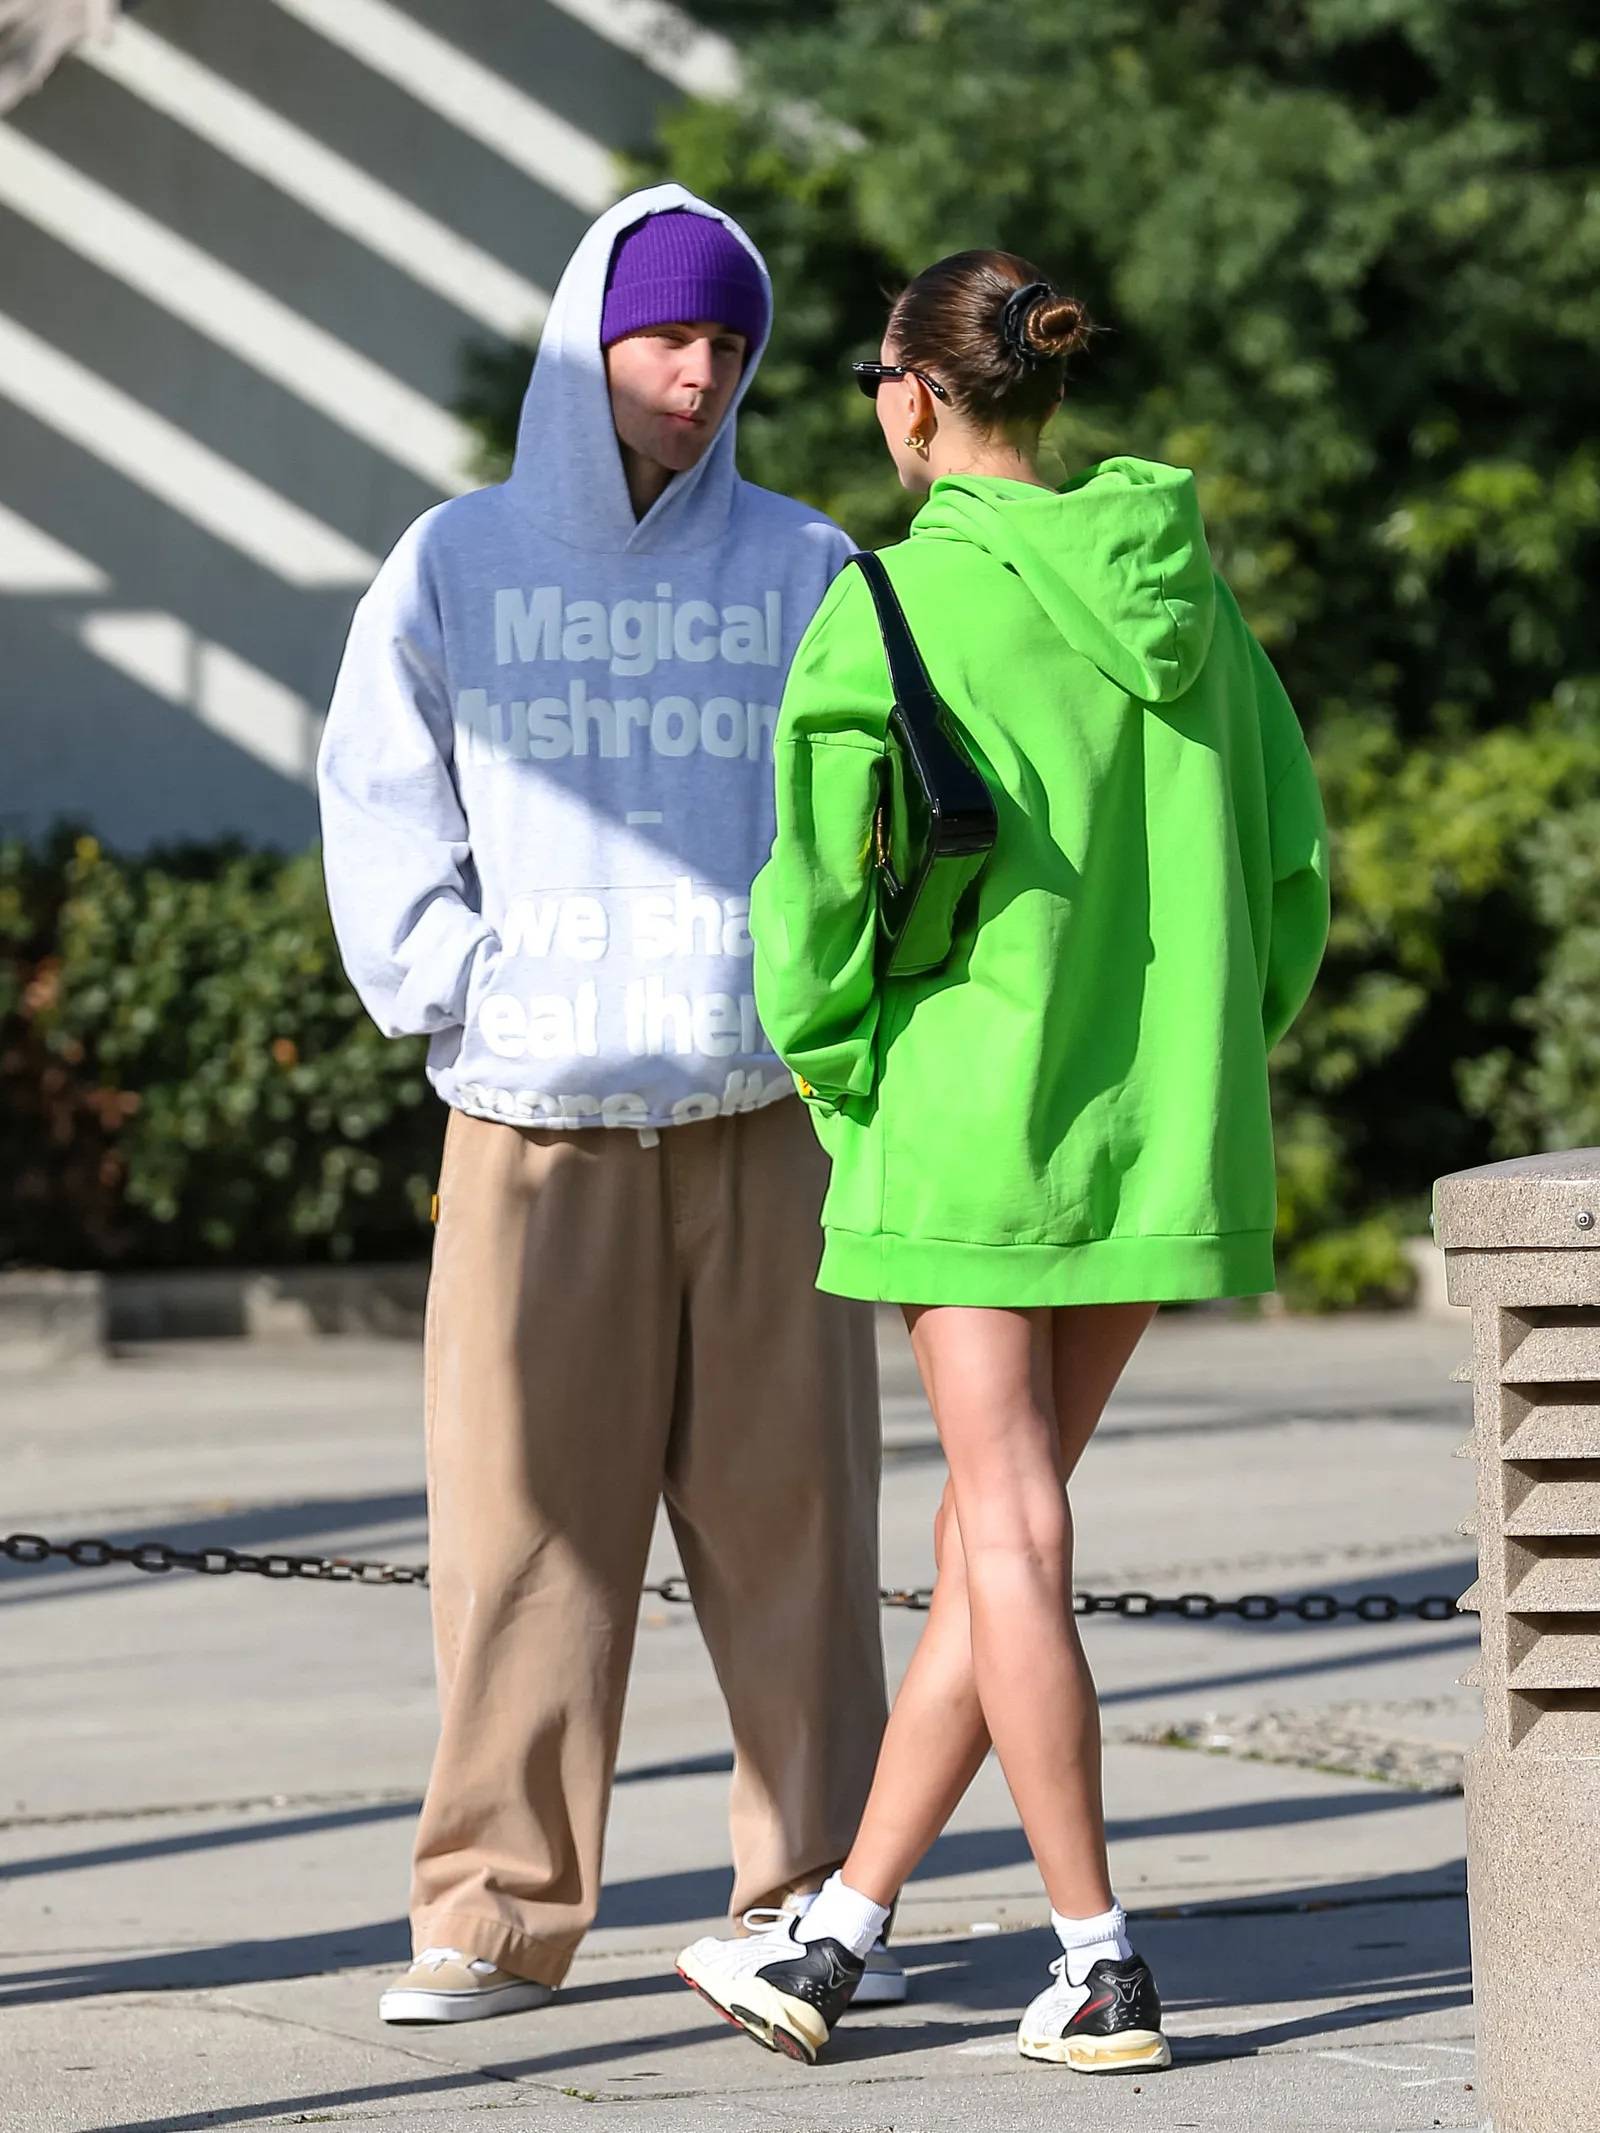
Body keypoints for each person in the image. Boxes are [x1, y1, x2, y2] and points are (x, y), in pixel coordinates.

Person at [674, 249, 1329, 2070]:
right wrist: (1187, 1063)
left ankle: (1097, 1951)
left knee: (1011, 1527)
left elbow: (810, 918)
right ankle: (840, 1932)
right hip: (1154, 1131)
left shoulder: (891, 605)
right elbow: (1289, 883)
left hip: (968, 1123)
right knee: (996, 1542)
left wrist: (840, 1079)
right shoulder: (1192, 591)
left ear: (910, 395)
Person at [317, 185, 903, 2025]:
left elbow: (878, 817)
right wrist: (466, 994)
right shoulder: (455, 565)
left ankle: (811, 1900)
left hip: (759, 1117)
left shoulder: (807, 562)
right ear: (590, 342)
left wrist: (827, 1026)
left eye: (731, 343)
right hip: (535, 1124)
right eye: (667, 337)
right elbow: (376, 797)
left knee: (801, 1528)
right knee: (519, 1536)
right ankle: (487, 1913)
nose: (700, 372)